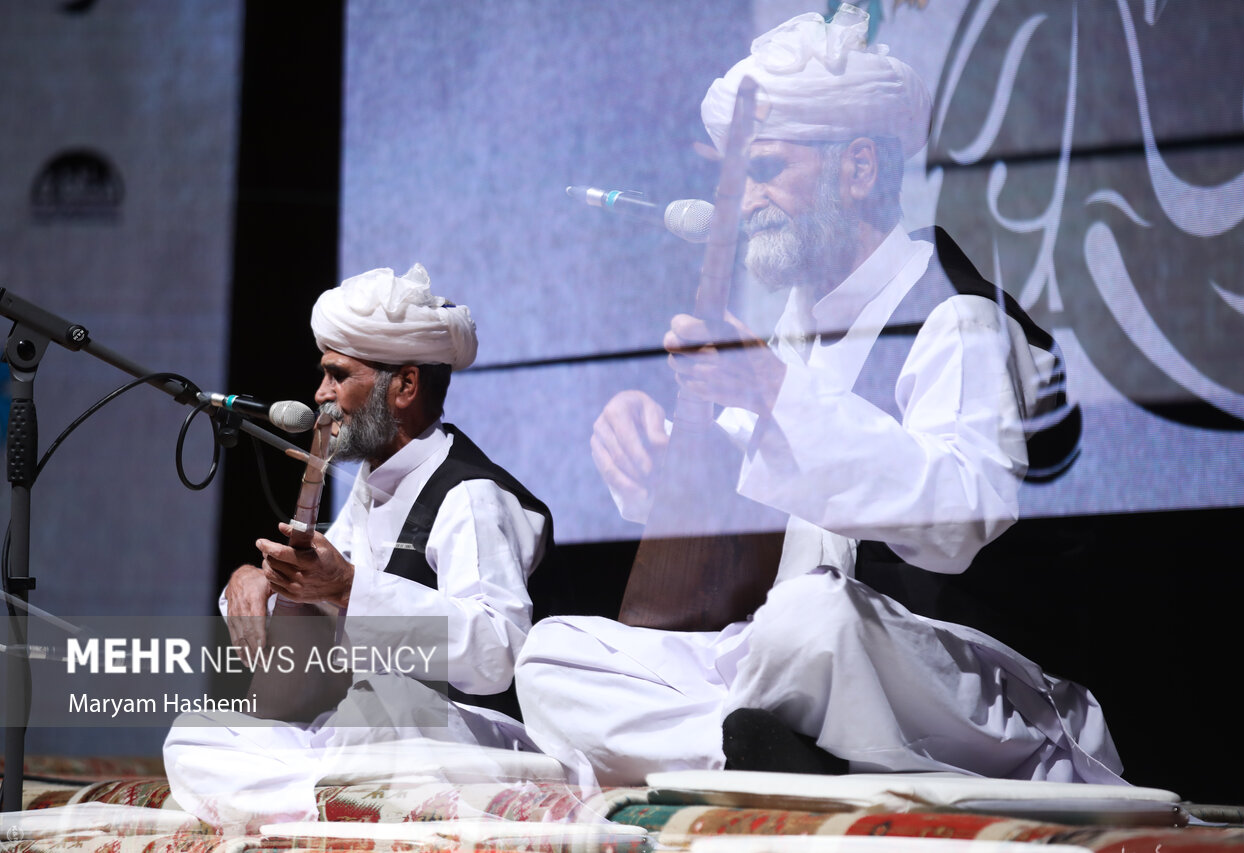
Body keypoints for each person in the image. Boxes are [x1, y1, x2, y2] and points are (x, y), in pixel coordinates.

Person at [514, 5, 1123, 787]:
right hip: (792, 664)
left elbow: (960, 516)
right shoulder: (795, 332)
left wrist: (773, 391)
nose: (744, 202)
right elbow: (738, 511)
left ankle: (750, 748)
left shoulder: (955, 316)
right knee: (554, 653)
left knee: (808, 618)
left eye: (766, 170)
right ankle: (755, 749)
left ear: (858, 170)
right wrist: (659, 461)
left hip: (954, 675)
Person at [164, 264, 555, 831]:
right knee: (196, 734)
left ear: (405, 386)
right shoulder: (373, 485)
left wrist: (348, 587)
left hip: (456, 734)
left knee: (378, 708)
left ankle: (314, 802)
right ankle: (327, 803)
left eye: (337, 375)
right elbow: (316, 608)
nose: (321, 395)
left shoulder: (469, 495)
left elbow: (497, 652)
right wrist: (257, 582)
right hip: (363, 731)